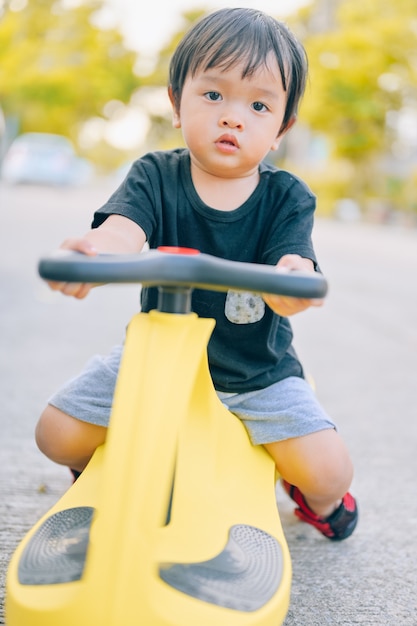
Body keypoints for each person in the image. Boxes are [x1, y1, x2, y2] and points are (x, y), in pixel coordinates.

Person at [35, 7, 358, 540]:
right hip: (155, 359)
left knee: (329, 470)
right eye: (213, 95)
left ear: (282, 128)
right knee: (56, 434)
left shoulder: (286, 197)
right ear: (176, 103)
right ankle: (105, 464)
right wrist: (94, 251)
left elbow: (292, 258)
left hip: (255, 373)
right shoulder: (154, 176)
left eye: (259, 105)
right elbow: (121, 230)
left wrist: (295, 278)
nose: (234, 116)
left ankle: (314, 501)